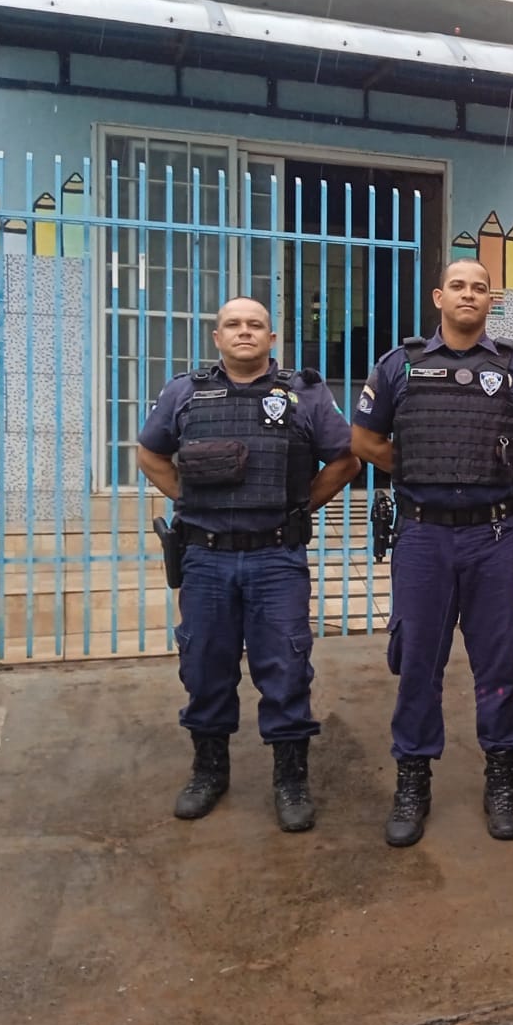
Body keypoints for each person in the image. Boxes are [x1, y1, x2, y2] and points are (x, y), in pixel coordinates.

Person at [351, 258, 513, 848]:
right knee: (418, 660)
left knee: (498, 662)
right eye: (460, 286)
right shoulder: (400, 366)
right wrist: (416, 469)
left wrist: (496, 471)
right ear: (439, 297)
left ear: (490, 301)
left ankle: (502, 779)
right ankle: (413, 780)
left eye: (481, 287)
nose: (470, 294)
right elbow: (364, 440)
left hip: (493, 538)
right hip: (422, 536)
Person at [137, 298, 360, 832]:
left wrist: (300, 506)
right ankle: (208, 771)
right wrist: (186, 500)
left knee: (284, 667)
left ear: (272, 337)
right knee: (205, 666)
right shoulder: (184, 393)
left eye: (255, 325)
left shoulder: (305, 394)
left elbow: (347, 459)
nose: (244, 332)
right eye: (233, 325)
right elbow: (149, 454)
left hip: (275, 556)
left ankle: (290, 778)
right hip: (206, 559)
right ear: (217, 337)